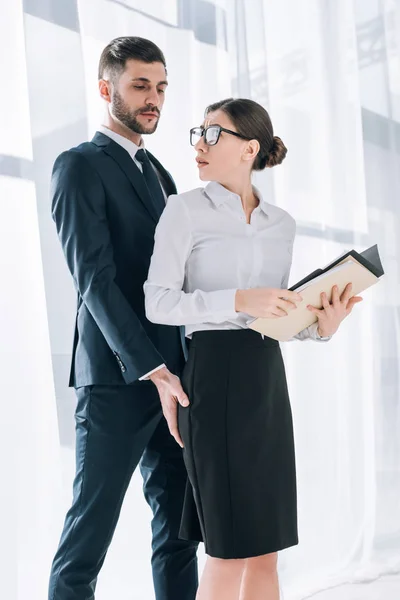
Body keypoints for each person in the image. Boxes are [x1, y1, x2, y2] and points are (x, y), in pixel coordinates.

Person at [144, 97, 363, 600]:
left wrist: (322, 325)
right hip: (213, 378)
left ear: (249, 148)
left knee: (267, 550)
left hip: (267, 377)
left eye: (213, 134)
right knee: (225, 551)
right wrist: (239, 298)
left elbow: (276, 318)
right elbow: (157, 302)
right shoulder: (184, 210)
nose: (200, 143)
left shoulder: (280, 223)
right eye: (198, 132)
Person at [48, 37, 198, 600]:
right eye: (140, 85)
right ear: (107, 88)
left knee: (179, 531)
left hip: (177, 378)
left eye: (160, 87)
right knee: (89, 535)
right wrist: (152, 368)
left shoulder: (160, 172)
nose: (153, 98)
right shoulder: (80, 166)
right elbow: (94, 281)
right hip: (117, 378)